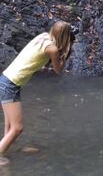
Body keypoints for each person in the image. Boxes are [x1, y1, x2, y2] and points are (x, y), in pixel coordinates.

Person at [0, 21, 74, 162]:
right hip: (10, 85)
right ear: (65, 37)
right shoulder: (52, 49)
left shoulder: (43, 37)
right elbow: (58, 70)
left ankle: (8, 148)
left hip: (6, 80)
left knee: (10, 124)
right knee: (17, 128)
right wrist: (65, 53)